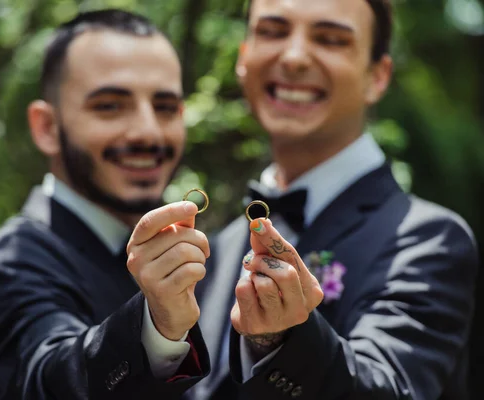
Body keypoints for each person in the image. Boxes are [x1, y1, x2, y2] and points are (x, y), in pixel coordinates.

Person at [189, 0, 480, 399]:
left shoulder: (429, 239)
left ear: (377, 76)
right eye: (273, 31)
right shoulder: (219, 248)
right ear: (244, 58)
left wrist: (282, 340)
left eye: (330, 39)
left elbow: (392, 388)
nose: (293, 57)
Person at [0, 9, 211, 399]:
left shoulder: (195, 254)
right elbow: (45, 377)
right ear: (47, 128)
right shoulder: (12, 263)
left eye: (165, 107)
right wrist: (156, 326)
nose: (147, 131)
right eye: (109, 105)